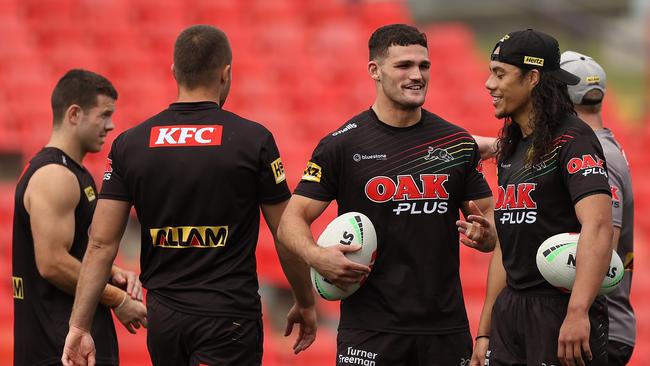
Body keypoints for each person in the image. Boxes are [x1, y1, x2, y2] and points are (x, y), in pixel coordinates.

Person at [61, 25, 316, 366]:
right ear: (225, 74)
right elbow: (286, 235)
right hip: (228, 318)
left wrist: (79, 325)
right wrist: (305, 301)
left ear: (174, 72)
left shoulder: (130, 144)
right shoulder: (252, 140)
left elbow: (101, 244)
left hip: (164, 321)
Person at [277, 24, 497, 366]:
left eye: (424, 66)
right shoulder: (342, 145)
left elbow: (490, 222)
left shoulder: (456, 143)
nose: (417, 75)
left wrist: (487, 237)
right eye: (404, 65)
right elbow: (291, 220)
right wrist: (317, 256)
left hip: (443, 329)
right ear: (374, 71)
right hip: (369, 329)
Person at [469, 30, 613, 366]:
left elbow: (599, 225)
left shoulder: (574, 140)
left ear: (532, 77)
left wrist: (578, 312)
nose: (489, 84)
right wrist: (485, 332)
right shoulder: (512, 145)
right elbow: (505, 247)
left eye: (500, 73)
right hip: (511, 311)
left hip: (559, 311)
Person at [12, 69, 147, 366]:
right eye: (104, 115)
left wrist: (110, 272)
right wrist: (119, 299)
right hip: (57, 351)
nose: (111, 126)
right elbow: (52, 263)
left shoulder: (75, 172)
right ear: (74, 114)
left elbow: (73, 253)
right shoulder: (54, 176)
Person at [560, 50, 636, 366]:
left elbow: (606, 245)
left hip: (598, 329)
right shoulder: (601, 143)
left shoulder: (595, 153)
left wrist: (577, 311)